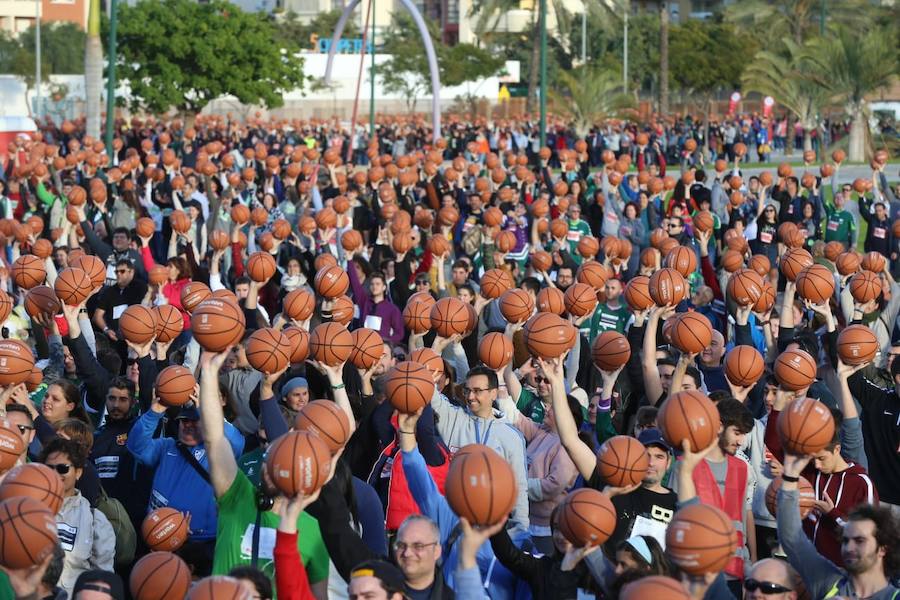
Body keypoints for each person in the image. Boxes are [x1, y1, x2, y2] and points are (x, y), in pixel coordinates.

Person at [197, 350, 331, 597]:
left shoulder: (312, 530)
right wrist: (208, 372)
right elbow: (214, 439)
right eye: (265, 462)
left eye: (274, 465)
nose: (265, 470)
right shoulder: (237, 497)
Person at [126, 396, 245, 571]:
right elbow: (136, 446)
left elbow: (237, 442)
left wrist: (207, 411)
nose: (188, 425)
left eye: (195, 420)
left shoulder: (219, 452)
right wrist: (155, 412)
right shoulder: (167, 446)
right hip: (159, 537)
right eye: (184, 421)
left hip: (201, 545)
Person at [777, 452, 900, 599]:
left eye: (859, 540)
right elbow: (791, 538)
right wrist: (791, 476)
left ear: (882, 548)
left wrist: (833, 513)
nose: (849, 548)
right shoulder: (828, 582)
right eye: (845, 540)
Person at [672, 399, 756, 598]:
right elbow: (674, 520)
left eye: (744, 434)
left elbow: (742, 519)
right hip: (695, 573)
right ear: (719, 427)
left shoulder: (742, 468)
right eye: (737, 432)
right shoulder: (684, 465)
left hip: (733, 574)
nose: (741, 441)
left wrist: (747, 566)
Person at [39, 438, 115, 596]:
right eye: (48, 468)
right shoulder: (27, 507)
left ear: (78, 472)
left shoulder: (95, 520)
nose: (54, 474)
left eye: (62, 468)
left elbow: (103, 578)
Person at [803, 409, 878, 566]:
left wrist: (832, 514)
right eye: (813, 458)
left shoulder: (861, 484)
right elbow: (774, 442)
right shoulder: (810, 472)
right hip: (807, 566)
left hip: (841, 572)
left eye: (822, 458)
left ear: (837, 449)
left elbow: (869, 536)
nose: (816, 464)